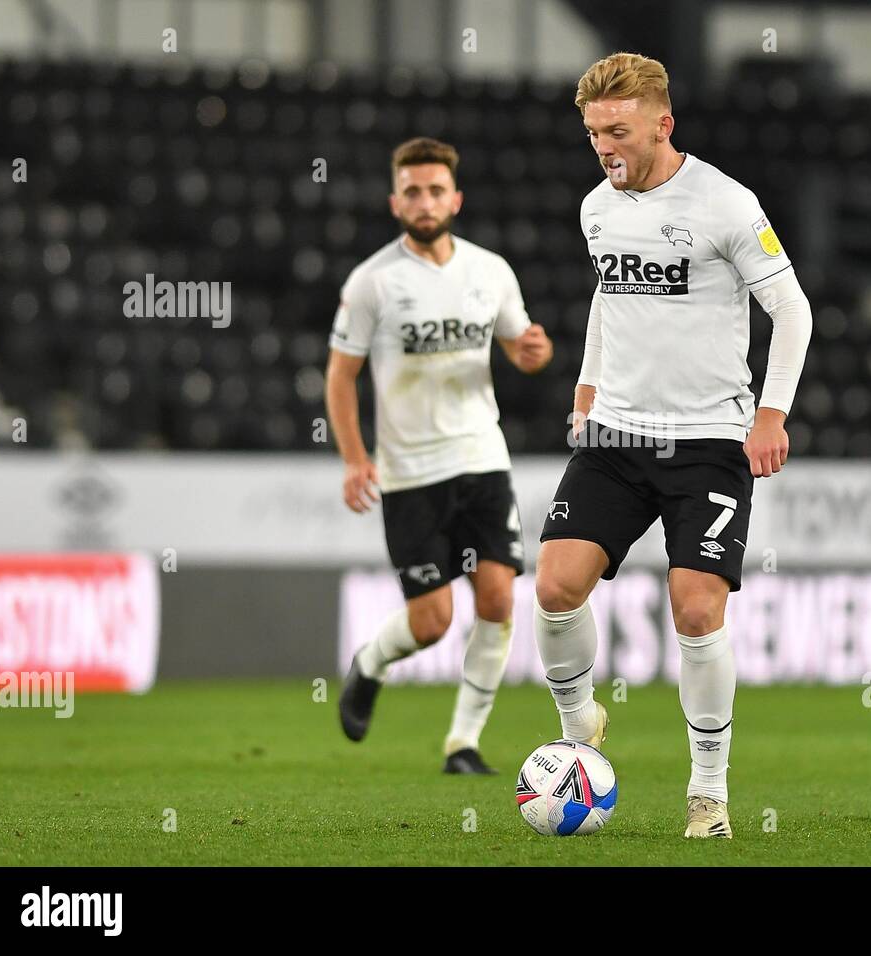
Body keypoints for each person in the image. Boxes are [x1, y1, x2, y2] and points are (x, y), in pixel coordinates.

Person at [533, 53, 813, 837]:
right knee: (554, 589)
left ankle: (708, 791)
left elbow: (792, 311)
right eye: (593, 133)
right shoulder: (597, 207)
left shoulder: (725, 204)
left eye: (617, 131)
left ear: (664, 121)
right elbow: (607, 296)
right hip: (617, 434)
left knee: (694, 609)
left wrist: (772, 413)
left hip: (708, 441)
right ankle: (580, 720)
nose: (604, 147)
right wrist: (588, 387)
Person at [326, 137, 553, 774]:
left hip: (481, 458)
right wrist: (353, 457)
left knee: (499, 600)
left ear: (455, 198)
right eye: (412, 192)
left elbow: (522, 346)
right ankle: (369, 664)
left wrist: (533, 354)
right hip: (409, 474)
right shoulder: (372, 282)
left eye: (435, 191)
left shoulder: (491, 272)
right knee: (430, 622)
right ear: (394, 202)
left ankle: (464, 743)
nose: (424, 203)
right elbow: (340, 376)